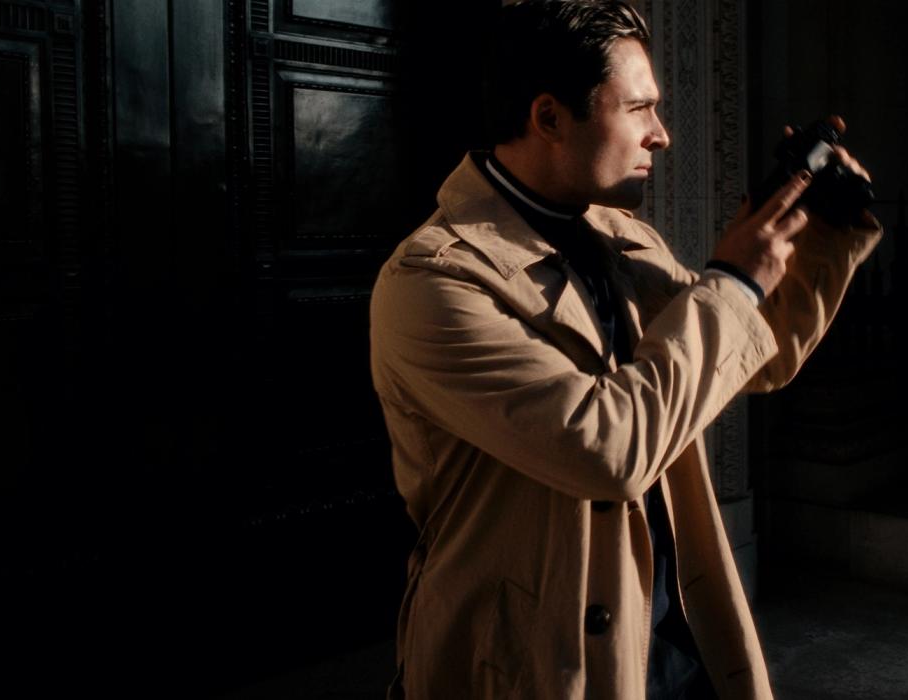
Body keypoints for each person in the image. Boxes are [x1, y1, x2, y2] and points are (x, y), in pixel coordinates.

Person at [369, 1, 882, 697]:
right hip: (533, 668)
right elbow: (609, 450)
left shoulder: (626, 238)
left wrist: (819, 232)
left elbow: (758, 357)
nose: (662, 135)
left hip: (674, 646)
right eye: (639, 109)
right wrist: (730, 282)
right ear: (549, 118)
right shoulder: (431, 280)